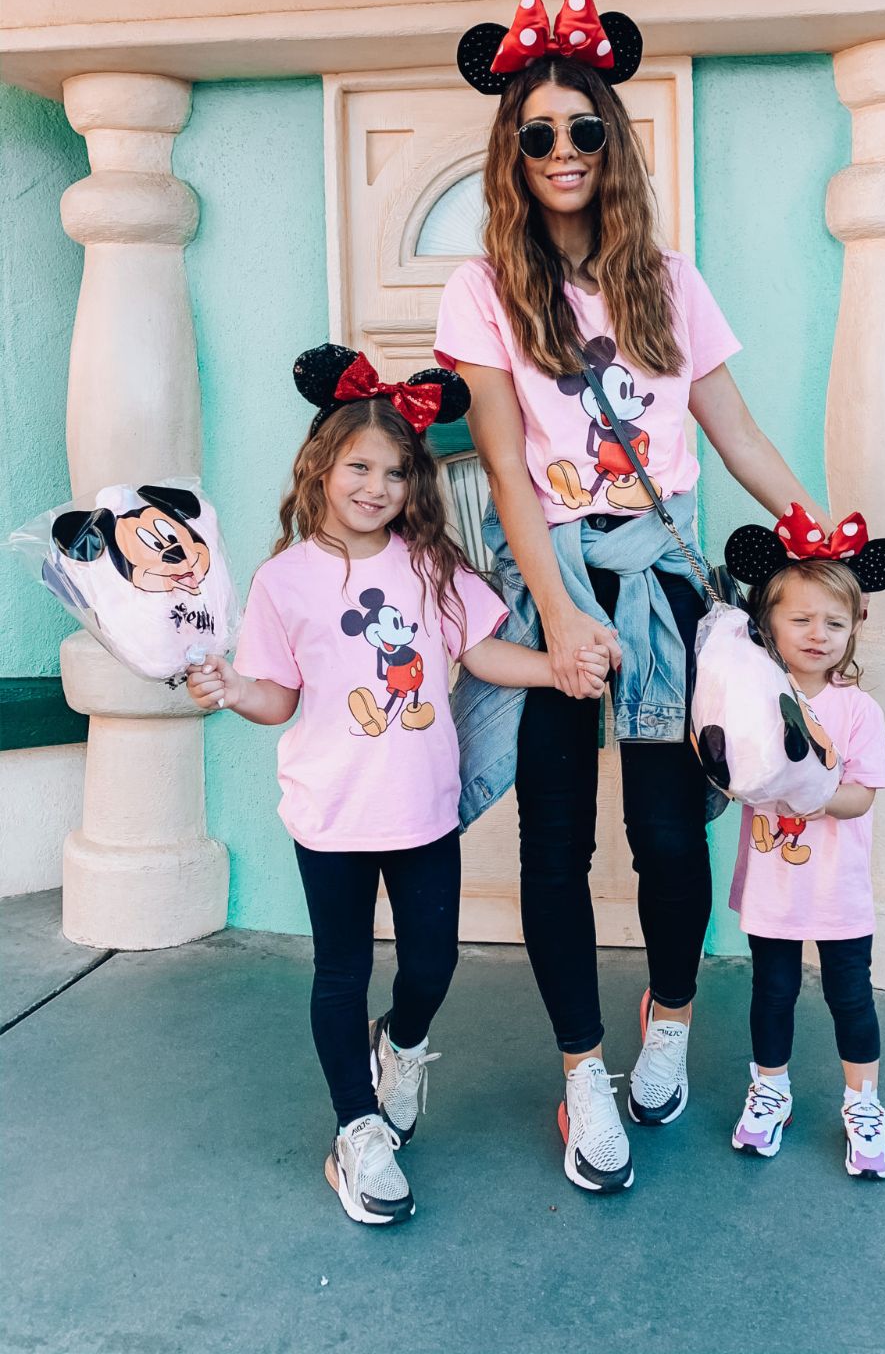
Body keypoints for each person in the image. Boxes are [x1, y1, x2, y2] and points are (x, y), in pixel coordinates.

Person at [436, 0, 829, 1194]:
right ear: (515, 149)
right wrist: (554, 611)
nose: (563, 151)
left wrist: (818, 530)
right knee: (553, 845)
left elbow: (736, 432)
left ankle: (667, 1016)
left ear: (613, 142)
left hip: (658, 578)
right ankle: (580, 1073)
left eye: (584, 130)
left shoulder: (668, 278)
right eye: (539, 133)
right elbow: (501, 461)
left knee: (665, 836)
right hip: (548, 567)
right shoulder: (484, 289)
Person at [186, 344, 607, 1225]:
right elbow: (278, 696)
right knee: (340, 971)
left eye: (395, 472)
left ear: (414, 483)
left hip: (423, 814)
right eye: (360, 467)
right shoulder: (283, 580)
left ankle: (403, 1045)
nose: (376, 486)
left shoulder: (430, 566)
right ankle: (356, 1130)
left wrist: (558, 668)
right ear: (322, 469)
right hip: (330, 815)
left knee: (431, 963)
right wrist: (230, 690)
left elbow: (480, 652)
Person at [723, 502, 885, 1177]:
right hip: (774, 884)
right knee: (770, 990)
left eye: (834, 622)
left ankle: (863, 1105)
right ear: (767, 623)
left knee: (849, 996)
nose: (817, 633)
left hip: (837, 888)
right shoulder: (751, 700)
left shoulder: (858, 710)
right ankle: (770, 1088)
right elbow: (730, 771)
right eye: (800, 618)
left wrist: (807, 788)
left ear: (854, 630)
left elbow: (858, 798)